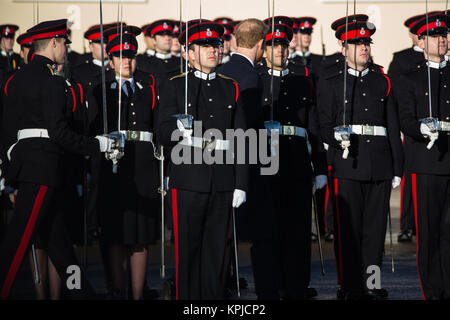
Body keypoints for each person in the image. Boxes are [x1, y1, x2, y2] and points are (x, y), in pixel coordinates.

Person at [0, 19, 118, 300]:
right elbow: (59, 133)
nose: (66, 47)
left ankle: (82, 294)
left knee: (61, 248)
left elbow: (7, 131)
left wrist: (8, 166)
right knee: (18, 240)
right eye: (64, 42)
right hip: (43, 169)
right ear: (52, 43)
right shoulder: (53, 82)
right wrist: (96, 144)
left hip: (24, 166)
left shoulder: (13, 81)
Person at [157, 21, 247, 300]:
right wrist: (177, 130)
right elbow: (160, 132)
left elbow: (241, 139)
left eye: (216, 45)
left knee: (216, 251)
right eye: (204, 46)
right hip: (188, 180)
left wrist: (241, 184)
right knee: (188, 250)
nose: (213, 50)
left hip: (222, 181)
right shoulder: (175, 86)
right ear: (189, 53)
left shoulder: (230, 88)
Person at [317, 18, 403, 300]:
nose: (363, 48)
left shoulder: (383, 81)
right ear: (343, 48)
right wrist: (334, 137)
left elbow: (392, 126)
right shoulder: (331, 82)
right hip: (347, 163)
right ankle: (349, 286)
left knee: (375, 233)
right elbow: (322, 124)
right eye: (357, 43)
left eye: (366, 42)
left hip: (379, 164)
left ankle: (373, 283)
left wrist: (397, 168)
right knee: (348, 233)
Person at [89, 25, 160, 300]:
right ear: (110, 60)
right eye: (120, 56)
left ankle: (138, 293)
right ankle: (118, 290)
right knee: (116, 235)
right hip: (112, 166)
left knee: (140, 236)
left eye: (130, 55)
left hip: (142, 165)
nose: (126, 61)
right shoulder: (100, 90)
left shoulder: (148, 88)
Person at [258, 22, 327, 299]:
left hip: (297, 162)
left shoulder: (303, 78)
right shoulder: (257, 78)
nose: (280, 50)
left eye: (284, 45)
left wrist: (319, 168)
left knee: (298, 229)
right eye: (274, 45)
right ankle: (273, 283)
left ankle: (297, 284)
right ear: (264, 49)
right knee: (270, 228)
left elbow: (313, 126)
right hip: (266, 159)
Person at [217, 18, 277, 299]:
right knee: (262, 234)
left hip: (222, 160)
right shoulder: (252, 77)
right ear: (261, 44)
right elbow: (249, 126)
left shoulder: (223, 70)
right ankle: (266, 290)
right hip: (250, 162)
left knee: (226, 232)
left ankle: (224, 283)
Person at [396, 13, 450, 300]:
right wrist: (420, 127)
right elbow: (404, 118)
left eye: (444, 35)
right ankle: (433, 290)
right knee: (428, 234)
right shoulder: (411, 76)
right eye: (435, 36)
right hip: (426, 163)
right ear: (421, 40)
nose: (442, 40)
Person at [388, 13, 426, 242]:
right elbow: (394, 92)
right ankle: (408, 224)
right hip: (411, 125)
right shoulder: (402, 59)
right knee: (410, 180)